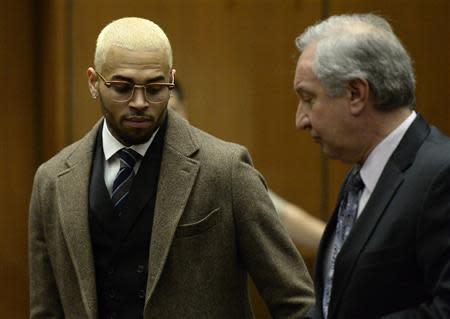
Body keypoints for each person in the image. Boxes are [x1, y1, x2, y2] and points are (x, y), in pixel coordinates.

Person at [28, 17, 314, 319]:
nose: (139, 102)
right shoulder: (52, 179)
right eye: (123, 87)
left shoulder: (226, 169)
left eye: (155, 88)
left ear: (171, 80)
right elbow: (46, 309)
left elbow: (295, 301)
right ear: (93, 82)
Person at [293, 13, 450, 319]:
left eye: (308, 99)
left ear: (356, 94)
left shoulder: (441, 175)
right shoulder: (361, 178)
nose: (300, 120)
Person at [169, 81, 325, 249]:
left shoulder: (217, 166)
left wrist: (339, 245)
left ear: (185, 109)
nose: (169, 123)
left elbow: (279, 214)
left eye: (173, 111)